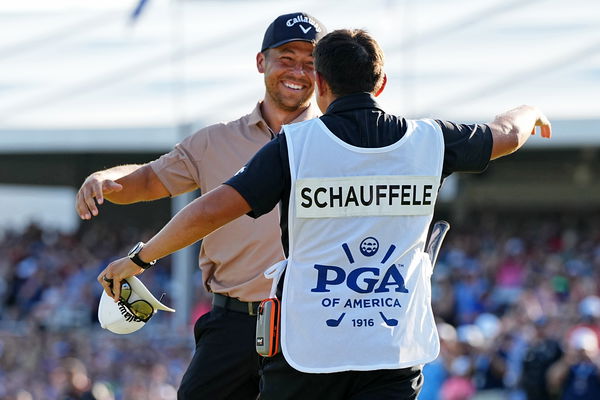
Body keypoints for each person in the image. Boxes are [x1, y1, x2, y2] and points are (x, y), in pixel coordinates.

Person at [97, 29, 551, 399]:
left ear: (323, 85)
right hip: (390, 348)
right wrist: (532, 110)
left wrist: (140, 258)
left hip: (307, 348)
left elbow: (213, 208)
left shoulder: (294, 147)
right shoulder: (430, 140)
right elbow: (508, 133)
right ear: (382, 84)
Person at [76, 12, 327, 400]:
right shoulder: (214, 141)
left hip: (312, 323)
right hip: (233, 324)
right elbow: (148, 179)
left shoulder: (337, 141)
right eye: (287, 58)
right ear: (262, 62)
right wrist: (106, 179)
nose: (297, 71)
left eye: (310, 62)